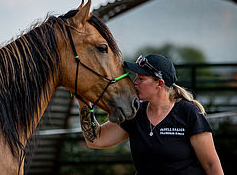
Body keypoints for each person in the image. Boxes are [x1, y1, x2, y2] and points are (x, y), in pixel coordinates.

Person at [78, 54, 224, 175]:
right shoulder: (136, 113)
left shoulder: (188, 112)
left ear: (159, 84)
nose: (134, 82)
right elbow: (96, 140)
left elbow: (212, 165)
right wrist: (84, 103)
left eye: (141, 79)